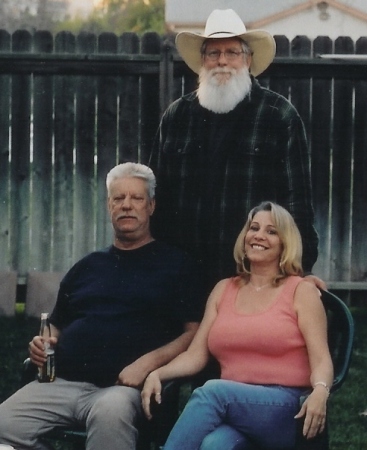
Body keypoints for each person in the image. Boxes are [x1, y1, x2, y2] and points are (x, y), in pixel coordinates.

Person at [0, 162, 205, 450]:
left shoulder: (176, 265)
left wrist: (147, 364)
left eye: (136, 198)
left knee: (110, 416)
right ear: (109, 205)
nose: (126, 206)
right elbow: (56, 324)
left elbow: (192, 333)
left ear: (151, 206)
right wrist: (43, 341)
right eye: (118, 198)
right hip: (60, 383)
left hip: (120, 390)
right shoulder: (87, 267)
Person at [150, 8, 324, 294]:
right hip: (181, 274)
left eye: (232, 52)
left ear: (248, 59)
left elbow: (298, 203)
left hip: (254, 274)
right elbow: (157, 198)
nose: (222, 61)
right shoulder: (176, 116)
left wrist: (302, 270)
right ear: (202, 61)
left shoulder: (279, 115)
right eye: (213, 53)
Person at [141, 201, 333, 450]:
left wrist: (320, 391)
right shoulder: (224, 289)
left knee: (212, 392)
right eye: (254, 228)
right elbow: (196, 355)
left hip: (287, 409)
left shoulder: (301, 291)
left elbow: (321, 359)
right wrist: (158, 373)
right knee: (214, 445)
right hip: (234, 406)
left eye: (271, 231)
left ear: (285, 243)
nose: (259, 236)